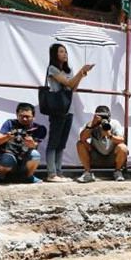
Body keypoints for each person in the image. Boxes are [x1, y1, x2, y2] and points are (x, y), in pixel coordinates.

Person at [44, 43, 94, 182]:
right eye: (61, 52)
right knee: (54, 141)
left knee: (62, 143)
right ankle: (51, 173)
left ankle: (59, 172)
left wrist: (81, 75)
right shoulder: (52, 69)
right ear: (55, 54)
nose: (65, 54)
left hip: (68, 109)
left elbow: (73, 88)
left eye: (65, 52)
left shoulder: (68, 70)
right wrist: (80, 72)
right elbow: (68, 84)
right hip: (57, 109)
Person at [0, 102, 47, 184]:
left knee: (35, 154)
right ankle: (2, 176)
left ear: (33, 117)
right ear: (17, 115)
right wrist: (7, 137)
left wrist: (31, 143)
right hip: (10, 157)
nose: (24, 119)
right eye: (21, 116)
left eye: (27, 117)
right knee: (6, 159)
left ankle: (29, 176)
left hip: (25, 160)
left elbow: (35, 145)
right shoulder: (9, 123)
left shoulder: (39, 128)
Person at [76, 105, 129, 182]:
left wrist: (110, 136)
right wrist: (92, 126)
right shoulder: (91, 124)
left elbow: (122, 139)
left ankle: (117, 171)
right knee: (80, 144)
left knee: (123, 147)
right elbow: (82, 138)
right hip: (95, 156)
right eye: (101, 116)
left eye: (105, 116)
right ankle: (88, 173)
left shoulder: (114, 123)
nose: (103, 119)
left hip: (112, 156)